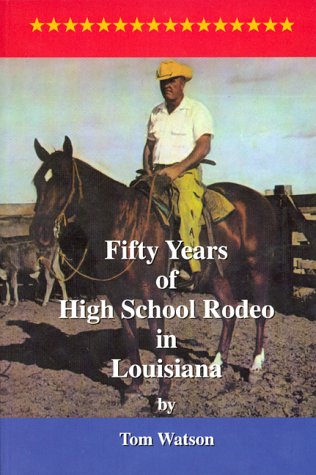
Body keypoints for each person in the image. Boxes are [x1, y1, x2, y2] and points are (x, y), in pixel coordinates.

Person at [143, 60, 214, 287]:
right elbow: (149, 146)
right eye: (163, 81)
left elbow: (203, 146)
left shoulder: (196, 110)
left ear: (183, 82)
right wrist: (148, 171)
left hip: (185, 173)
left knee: (185, 208)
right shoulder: (156, 113)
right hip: (157, 173)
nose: (167, 85)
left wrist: (177, 169)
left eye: (172, 80)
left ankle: (188, 266)